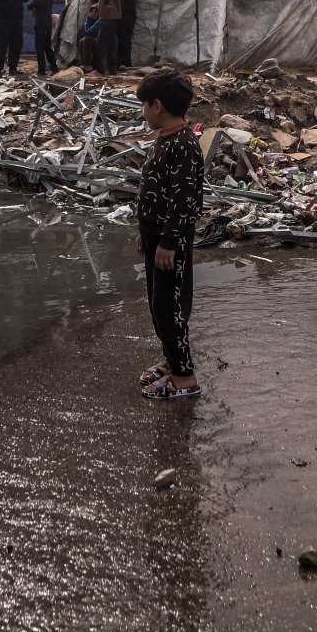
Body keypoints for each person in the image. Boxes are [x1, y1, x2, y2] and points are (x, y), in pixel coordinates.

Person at [135, 67, 205, 400]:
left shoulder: (185, 145)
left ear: (157, 106)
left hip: (169, 244)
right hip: (154, 239)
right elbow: (154, 193)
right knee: (156, 303)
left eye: (145, 105)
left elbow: (184, 200)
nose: (144, 112)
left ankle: (185, 377)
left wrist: (167, 241)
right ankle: (171, 359)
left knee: (170, 307)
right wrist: (145, 233)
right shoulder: (164, 140)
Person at [29, 0, 55, 77]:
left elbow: (29, 6)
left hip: (40, 26)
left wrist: (35, 8)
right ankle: (54, 68)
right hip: (48, 26)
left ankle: (41, 71)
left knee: (40, 49)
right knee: (48, 48)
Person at [117, 0, 138, 69]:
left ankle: (125, 62)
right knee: (121, 39)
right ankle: (121, 62)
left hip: (127, 16)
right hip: (122, 16)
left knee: (125, 39)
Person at [76, 2, 101, 71]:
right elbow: (87, 31)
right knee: (82, 41)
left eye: (96, 12)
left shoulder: (101, 21)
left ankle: (88, 65)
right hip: (93, 42)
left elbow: (91, 32)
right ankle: (85, 63)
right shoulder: (89, 20)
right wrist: (89, 20)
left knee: (87, 39)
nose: (93, 14)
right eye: (92, 11)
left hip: (101, 43)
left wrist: (99, 21)